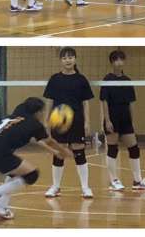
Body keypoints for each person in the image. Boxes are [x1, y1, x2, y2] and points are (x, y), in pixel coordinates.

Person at [0, 97, 71, 220]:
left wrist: (54, 152)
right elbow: (49, 141)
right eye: (42, 112)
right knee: (32, 175)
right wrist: (64, 151)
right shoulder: (34, 124)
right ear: (38, 112)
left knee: (15, 174)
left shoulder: (18, 112)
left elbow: (38, 140)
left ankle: (0, 207)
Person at [100, 49, 145, 190]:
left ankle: (137, 181)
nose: (119, 62)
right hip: (112, 117)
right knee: (113, 148)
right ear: (112, 62)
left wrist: (132, 121)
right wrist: (107, 120)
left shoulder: (128, 81)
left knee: (134, 148)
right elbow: (104, 101)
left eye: (121, 59)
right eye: (116, 60)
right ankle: (113, 180)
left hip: (125, 118)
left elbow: (131, 103)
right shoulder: (107, 79)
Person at [44, 47, 94, 198]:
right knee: (59, 152)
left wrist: (87, 122)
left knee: (79, 151)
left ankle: (85, 187)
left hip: (77, 120)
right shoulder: (54, 79)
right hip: (58, 121)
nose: (68, 60)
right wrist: (46, 120)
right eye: (65, 58)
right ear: (60, 60)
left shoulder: (81, 79)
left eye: (70, 57)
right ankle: (56, 186)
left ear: (75, 59)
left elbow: (86, 103)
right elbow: (49, 101)